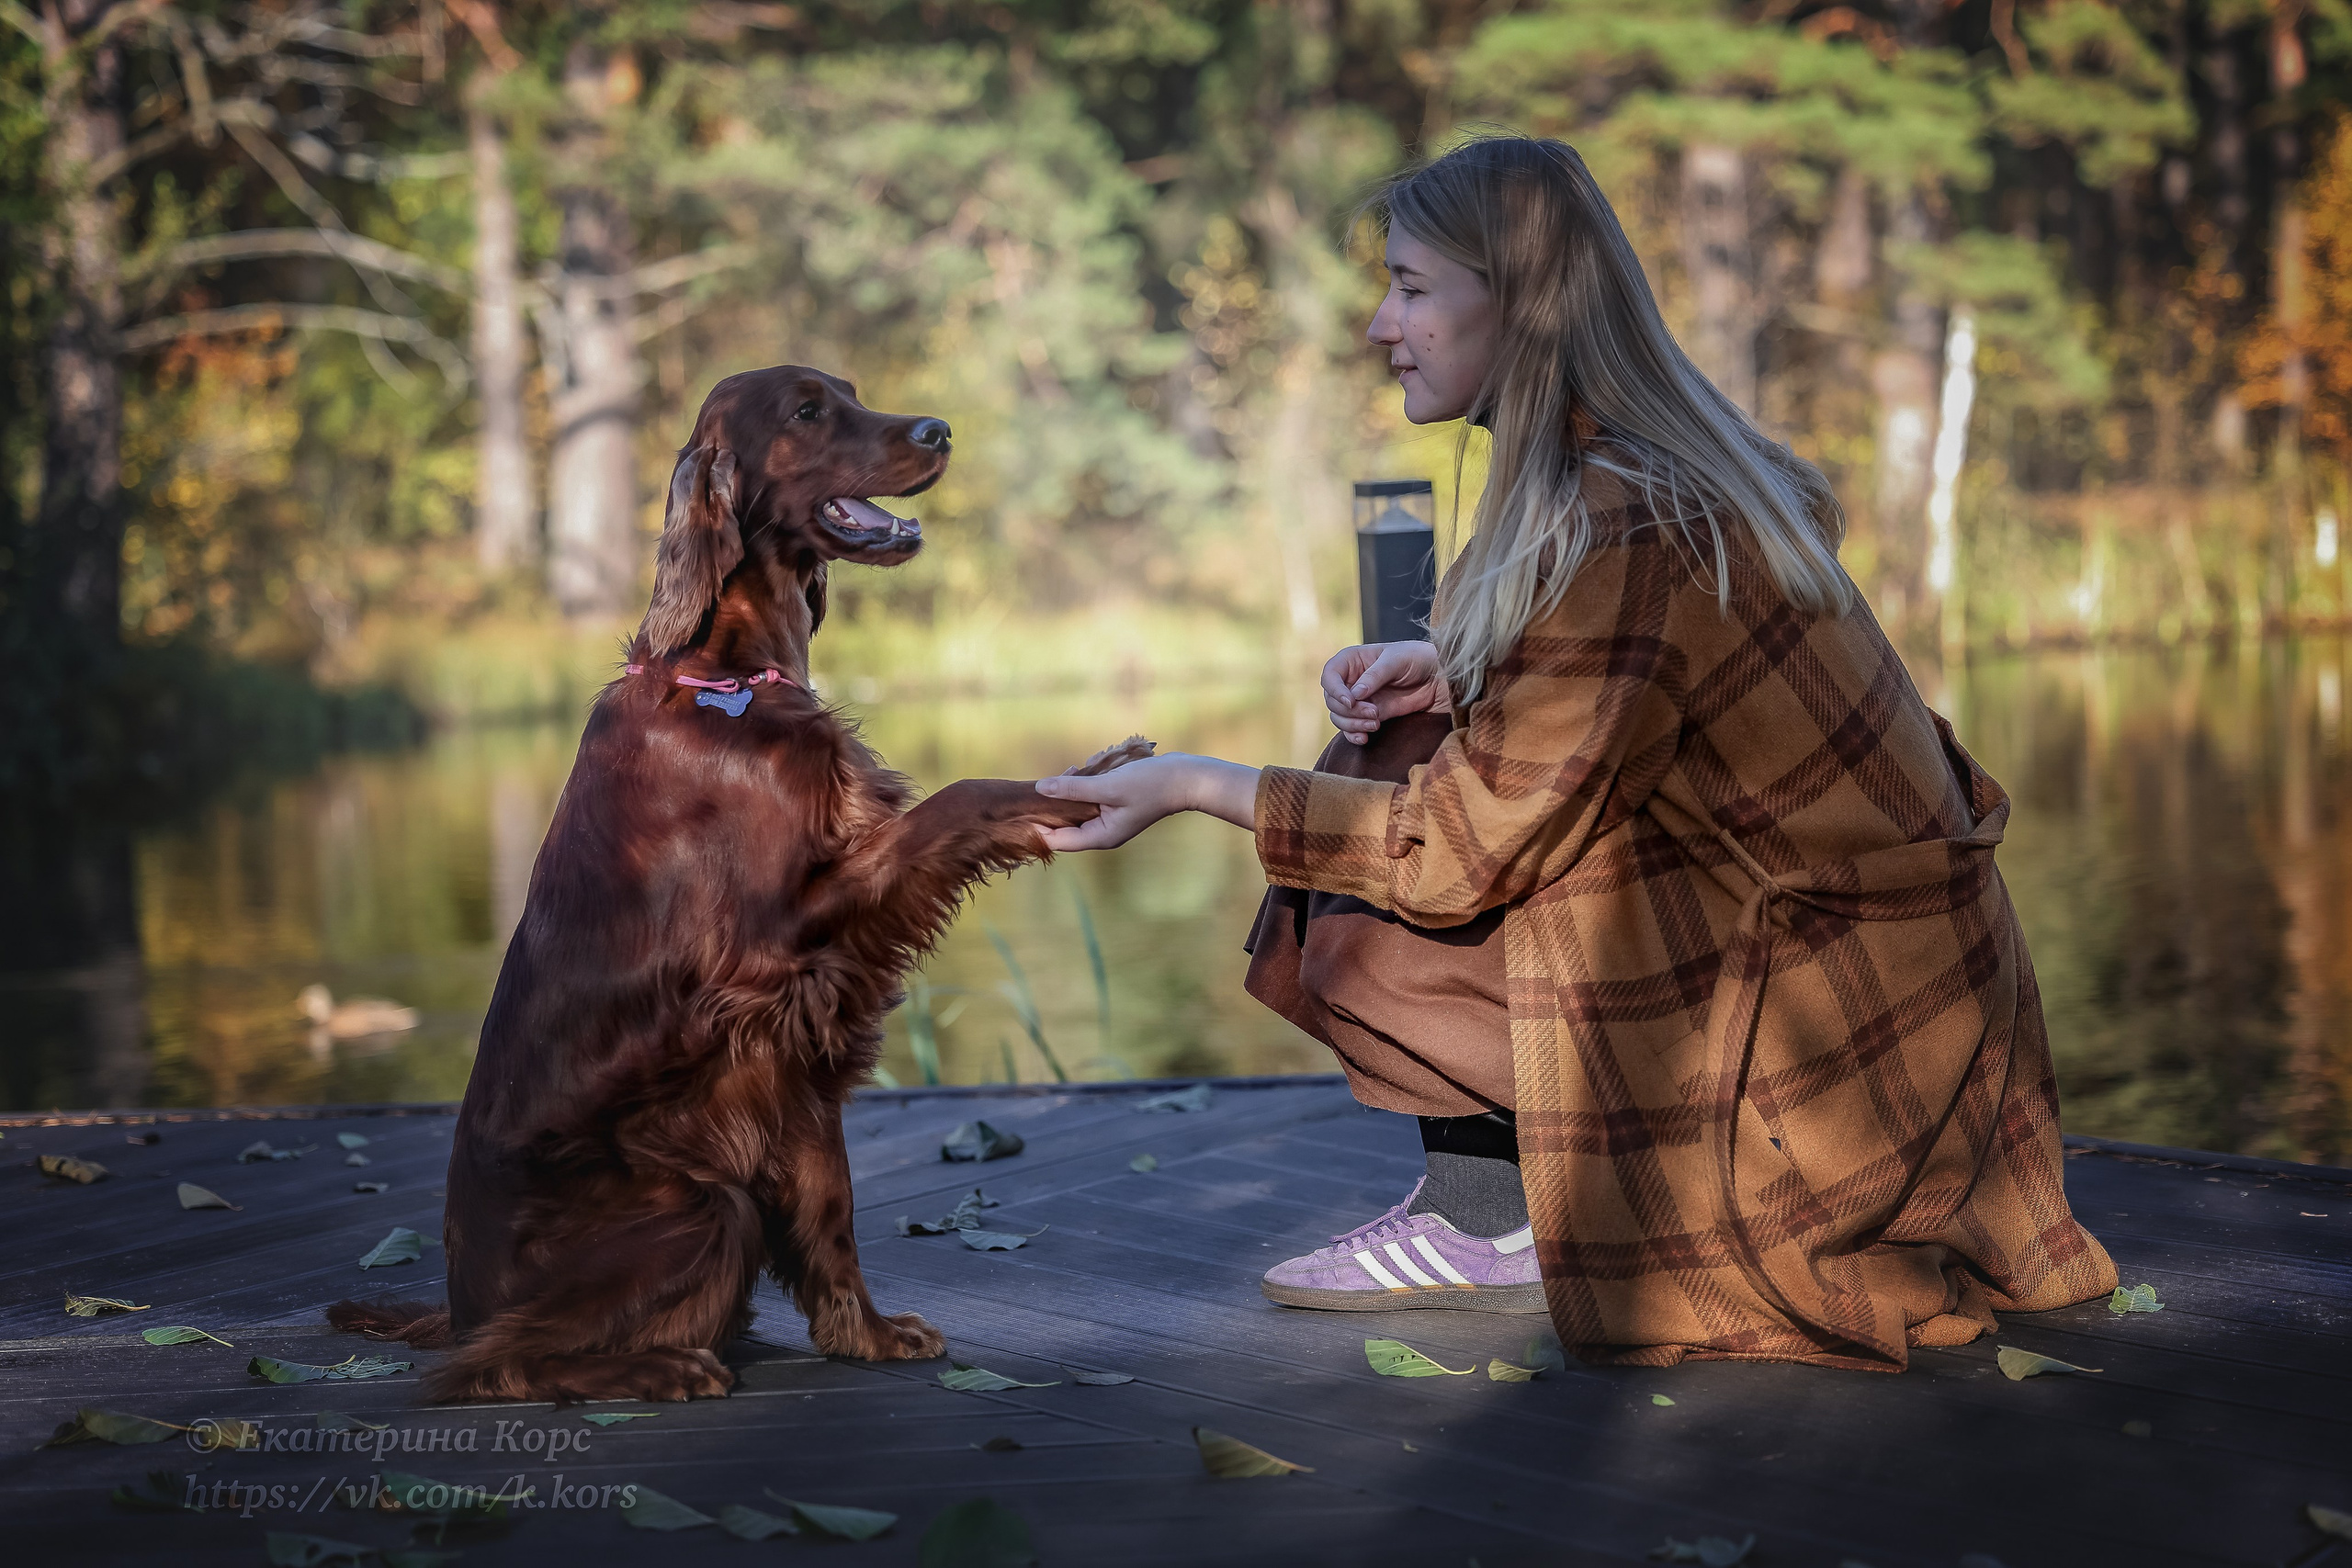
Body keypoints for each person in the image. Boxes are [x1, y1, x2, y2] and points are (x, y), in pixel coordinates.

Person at [1035, 133, 2118, 1371]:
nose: (1383, 322)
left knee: (1392, 801)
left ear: (1524, 305)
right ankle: (1494, 1203)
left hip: (1834, 1065)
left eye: (1412, 286)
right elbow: (1663, 698)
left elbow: (1451, 859)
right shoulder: (1658, 476)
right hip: (1892, 1003)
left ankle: (1484, 1220)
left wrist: (1187, 784)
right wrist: (1459, 667)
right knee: (1412, 737)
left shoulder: (1622, 517)